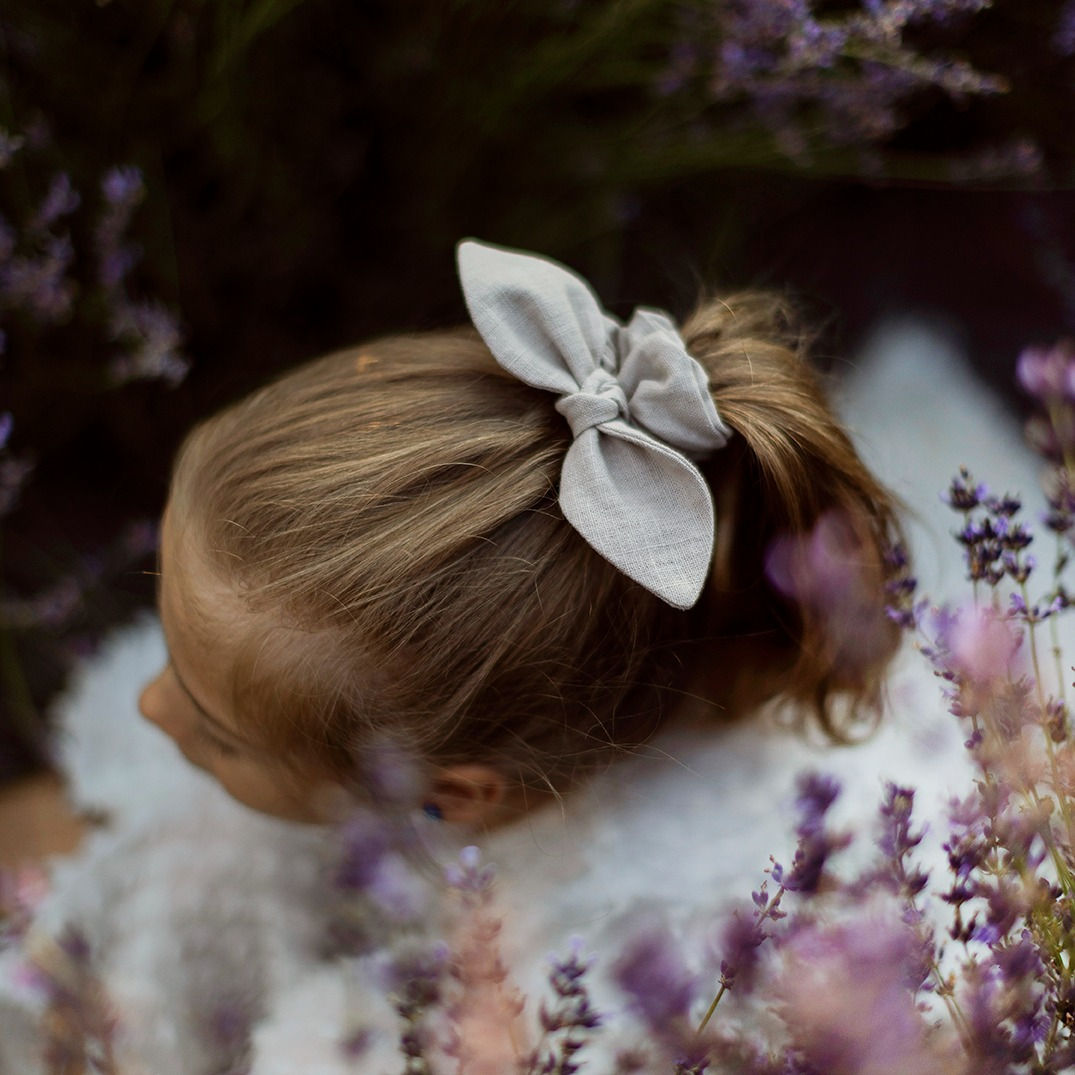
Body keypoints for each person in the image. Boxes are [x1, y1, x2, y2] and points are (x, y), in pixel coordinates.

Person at [0, 239, 913, 1074]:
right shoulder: (608, 631)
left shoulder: (603, 980)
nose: (151, 706)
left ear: (456, 793)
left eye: (214, 728)